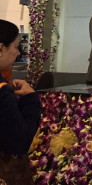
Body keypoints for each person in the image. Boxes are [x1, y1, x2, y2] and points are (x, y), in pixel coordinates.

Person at [0, 19, 41, 185]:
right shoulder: (2, 91)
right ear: (1, 48)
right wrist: (30, 99)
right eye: (16, 47)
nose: (18, 53)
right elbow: (19, 142)